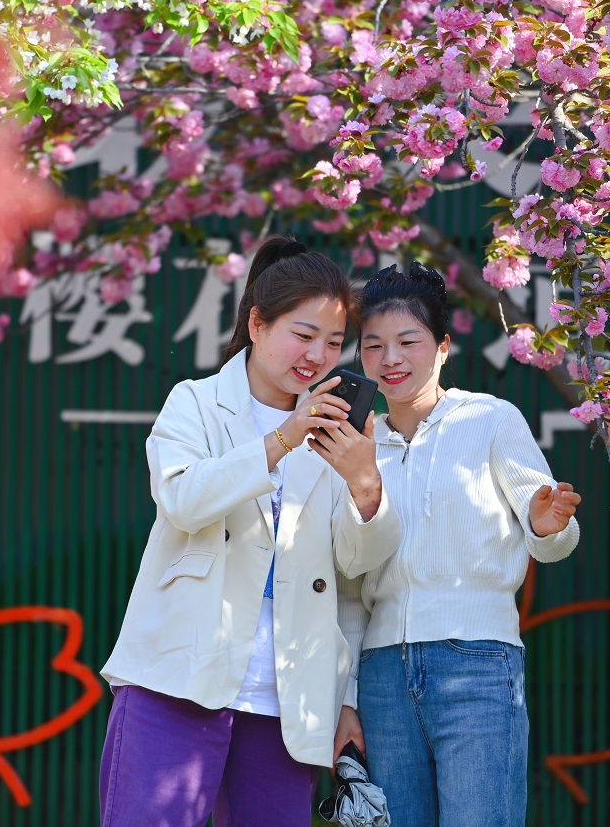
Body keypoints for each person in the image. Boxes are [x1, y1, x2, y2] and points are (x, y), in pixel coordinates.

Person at [99, 236, 402, 827]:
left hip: (285, 699)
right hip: (179, 677)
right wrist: (284, 438)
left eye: (334, 341)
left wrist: (366, 486)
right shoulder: (196, 402)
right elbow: (183, 500)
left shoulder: (339, 431)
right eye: (303, 334)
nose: (317, 356)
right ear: (258, 324)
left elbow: (354, 566)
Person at [337, 262, 582, 827]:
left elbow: (552, 539)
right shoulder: (354, 446)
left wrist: (546, 525)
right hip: (382, 678)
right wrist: (347, 697)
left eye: (408, 342)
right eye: (373, 345)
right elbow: (346, 588)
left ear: (443, 347)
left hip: (477, 664)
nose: (390, 359)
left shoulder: (489, 420)